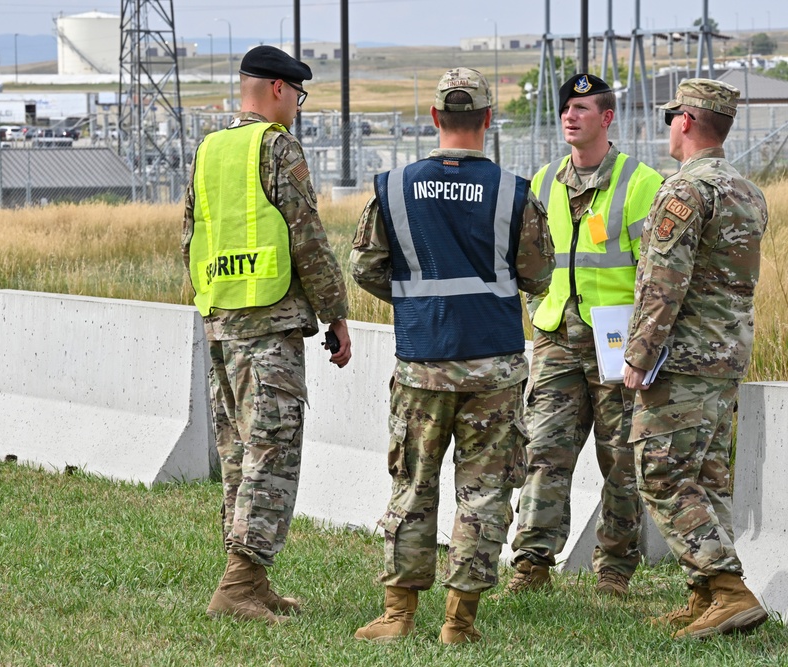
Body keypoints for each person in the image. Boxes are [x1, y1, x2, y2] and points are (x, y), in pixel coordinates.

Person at [350, 67, 554, 644]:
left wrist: (415, 298)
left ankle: (396, 616)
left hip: (421, 363)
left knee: (413, 486)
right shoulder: (514, 193)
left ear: (435, 118)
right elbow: (539, 276)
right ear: (487, 120)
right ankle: (458, 622)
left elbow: (365, 267)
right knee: (485, 491)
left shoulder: (392, 188)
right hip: (495, 367)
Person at [181, 45, 352, 625]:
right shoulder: (276, 146)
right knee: (272, 453)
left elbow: (189, 237)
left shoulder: (209, 150)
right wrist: (335, 313)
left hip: (220, 325)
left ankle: (251, 582)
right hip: (268, 326)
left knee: (240, 458)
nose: (298, 108)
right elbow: (307, 236)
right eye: (298, 96)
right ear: (279, 89)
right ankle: (237, 588)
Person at [504, 73, 662, 597]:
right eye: (566, 108)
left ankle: (614, 570)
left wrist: (642, 341)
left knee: (620, 458)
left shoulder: (642, 183)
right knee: (544, 450)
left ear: (607, 117)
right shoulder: (544, 180)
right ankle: (532, 563)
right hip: (554, 335)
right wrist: (538, 309)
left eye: (582, 108)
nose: (570, 117)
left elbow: (656, 273)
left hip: (616, 343)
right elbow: (528, 259)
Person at [622, 78, 769, 639]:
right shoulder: (748, 191)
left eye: (670, 120)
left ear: (685, 120)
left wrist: (638, 356)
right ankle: (704, 594)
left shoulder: (683, 191)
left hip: (682, 360)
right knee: (706, 479)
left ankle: (728, 588)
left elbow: (664, 284)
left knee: (659, 472)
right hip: (727, 356)